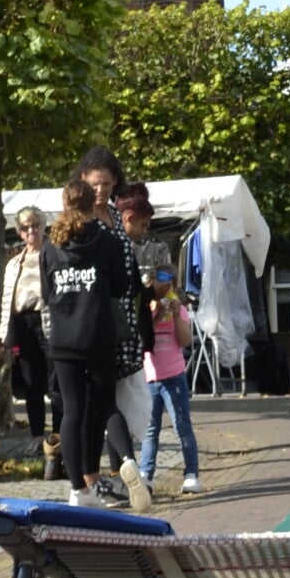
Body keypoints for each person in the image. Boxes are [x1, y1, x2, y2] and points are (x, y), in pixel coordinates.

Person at [40, 174, 130, 505]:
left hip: (64, 340)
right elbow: (121, 286)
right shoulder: (106, 240)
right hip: (99, 335)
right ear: (92, 204)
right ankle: (129, 462)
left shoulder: (51, 244)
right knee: (107, 404)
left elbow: (47, 294)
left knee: (72, 411)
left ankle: (78, 489)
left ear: (64, 204)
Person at [79, 146, 152, 509]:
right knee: (98, 401)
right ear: (82, 180)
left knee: (110, 399)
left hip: (120, 324)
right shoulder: (79, 220)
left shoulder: (112, 214)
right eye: (96, 183)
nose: (101, 190)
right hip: (92, 322)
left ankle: (113, 476)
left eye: (107, 184)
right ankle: (117, 471)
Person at [139, 267, 201, 494]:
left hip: (174, 377)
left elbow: (184, 341)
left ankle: (191, 473)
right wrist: (156, 316)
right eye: (160, 286)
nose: (165, 292)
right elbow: (143, 339)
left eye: (169, 287)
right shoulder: (146, 309)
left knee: (182, 426)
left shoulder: (180, 310)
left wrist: (175, 315)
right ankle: (146, 475)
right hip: (150, 377)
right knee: (150, 429)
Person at [0, 207, 55, 463]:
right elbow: (7, 302)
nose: (31, 230)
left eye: (35, 225)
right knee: (32, 384)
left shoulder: (54, 255)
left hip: (49, 324)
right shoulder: (14, 264)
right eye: (25, 227)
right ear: (19, 232)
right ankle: (36, 437)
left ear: (43, 226)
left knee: (55, 384)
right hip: (24, 324)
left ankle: (58, 438)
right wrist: (5, 334)